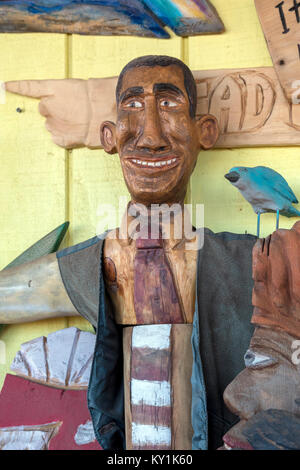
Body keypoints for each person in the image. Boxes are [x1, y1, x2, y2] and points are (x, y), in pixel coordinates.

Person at [0, 55, 299, 450]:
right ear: (109, 136)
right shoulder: (96, 263)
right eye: (133, 106)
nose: (152, 135)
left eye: (170, 104)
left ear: (204, 131)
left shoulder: (259, 262)